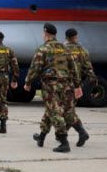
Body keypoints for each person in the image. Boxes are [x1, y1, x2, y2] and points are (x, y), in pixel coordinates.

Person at [24, 23, 81, 153]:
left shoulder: (43, 49)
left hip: (51, 86)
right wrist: (77, 85)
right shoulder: (65, 48)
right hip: (66, 85)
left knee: (55, 112)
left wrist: (28, 82)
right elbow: (74, 68)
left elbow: (35, 68)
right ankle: (41, 137)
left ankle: (64, 142)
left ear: (45, 34)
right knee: (56, 111)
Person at [64, 28, 96, 145]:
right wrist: (93, 80)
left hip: (64, 84)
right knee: (68, 109)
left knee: (66, 110)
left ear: (66, 37)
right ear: (75, 36)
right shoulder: (82, 50)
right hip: (76, 83)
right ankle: (64, 134)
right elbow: (88, 68)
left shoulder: (62, 49)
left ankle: (81, 132)